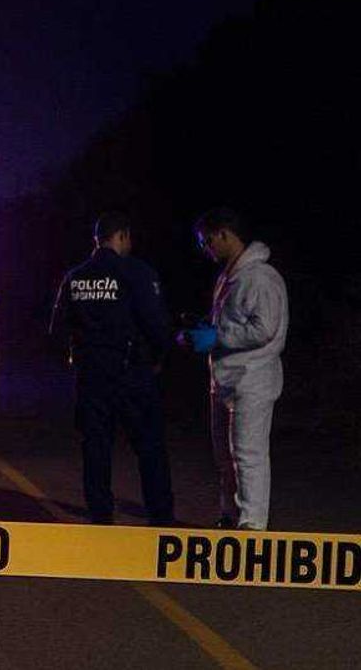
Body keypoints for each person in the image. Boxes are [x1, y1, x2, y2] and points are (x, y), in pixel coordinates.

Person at [51, 211, 175, 526]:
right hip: (132, 372)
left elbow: (57, 329)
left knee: (96, 444)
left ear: (97, 240)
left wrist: (75, 356)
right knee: (148, 445)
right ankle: (160, 515)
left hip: (91, 374)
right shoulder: (137, 272)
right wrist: (159, 356)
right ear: (121, 236)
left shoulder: (74, 277)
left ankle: (100, 512)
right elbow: (156, 323)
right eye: (128, 239)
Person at [181, 208, 287, 531]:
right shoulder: (230, 276)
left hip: (252, 378)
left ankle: (252, 525)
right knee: (225, 458)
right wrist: (204, 332)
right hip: (226, 379)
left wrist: (217, 336)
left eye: (208, 240)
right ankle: (230, 516)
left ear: (225, 233)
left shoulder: (261, 277)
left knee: (248, 454)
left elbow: (265, 328)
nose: (205, 247)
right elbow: (235, 325)